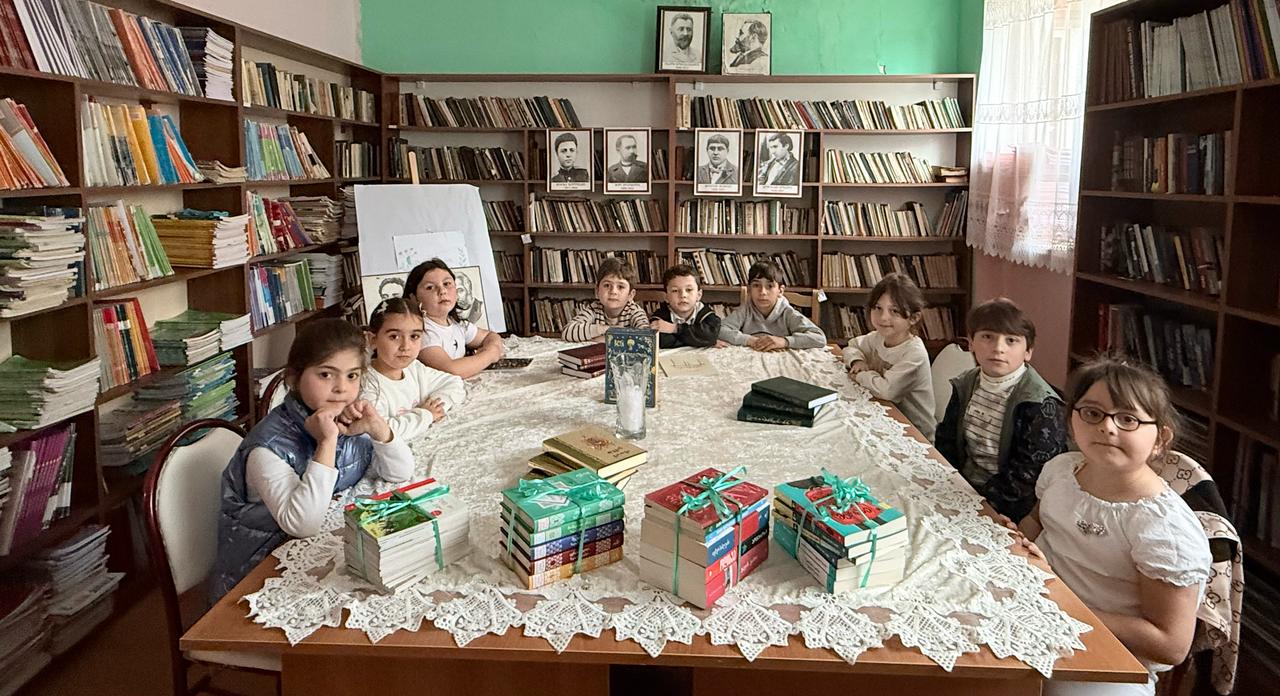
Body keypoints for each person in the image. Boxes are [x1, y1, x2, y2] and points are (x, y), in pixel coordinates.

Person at [1020, 357, 1211, 695]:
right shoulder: (1062, 470)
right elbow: (1036, 521)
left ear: (1161, 439)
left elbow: (1171, 645)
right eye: (1092, 413)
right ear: (1071, 420)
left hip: (1109, 659)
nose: (1107, 428)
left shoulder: (1163, 528)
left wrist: (1065, 609)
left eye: (1128, 419)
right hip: (1037, 617)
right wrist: (1014, 540)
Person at [209, 319, 413, 601]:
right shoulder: (267, 448)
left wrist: (378, 428)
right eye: (326, 375)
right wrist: (327, 443)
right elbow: (303, 525)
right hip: (258, 576)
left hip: (323, 553)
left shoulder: (343, 416)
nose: (341, 388)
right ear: (293, 378)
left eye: (352, 376)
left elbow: (400, 472)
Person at [935, 298, 1068, 521]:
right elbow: (946, 439)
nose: (998, 348)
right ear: (971, 343)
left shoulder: (1040, 404)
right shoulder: (966, 383)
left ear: (1028, 351)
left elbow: (1027, 475)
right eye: (987, 337)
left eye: (1011, 340)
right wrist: (948, 482)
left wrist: (978, 503)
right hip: (963, 486)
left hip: (1011, 507)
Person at [843, 273, 936, 440]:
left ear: (913, 318)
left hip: (914, 434)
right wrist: (858, 360)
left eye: (894, 311)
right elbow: (852, 345)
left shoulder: (914, 353)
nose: (883, 317)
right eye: (878, 308)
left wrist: (861, 375)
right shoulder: (878, 337)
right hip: (883, 417)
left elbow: (887, 391)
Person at [361, 297, 466, 443]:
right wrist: (426, 415)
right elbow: (378, 431)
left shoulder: (414, 368)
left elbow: (454, 382)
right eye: (394, 336)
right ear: (373, 339)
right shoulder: (368, 384)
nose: (405, 346)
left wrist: (435, 406)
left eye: (414, 336)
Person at [405, 258, 505, 378]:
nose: (442, 291)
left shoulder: (456, 323)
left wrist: (491, 347)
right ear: (414, 298)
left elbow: (490, 335)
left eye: (447, 284)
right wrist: (490, 355)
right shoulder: (420, 332)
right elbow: (452, 370)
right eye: (430, 287)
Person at [718, 260, 826, 351]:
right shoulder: (745, 310)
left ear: (780, 291)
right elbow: (719, 330)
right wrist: (749, 340)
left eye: (769, 286)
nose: (762, 292)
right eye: (756, 285)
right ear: (749, 289)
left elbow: (819, 338)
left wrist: (784, 341)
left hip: (781, 360)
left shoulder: (787, 313)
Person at [561, 257, 650, 343]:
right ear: (597, 291)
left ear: (630, 295)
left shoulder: (634, 311)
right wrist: (606, 329)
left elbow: (647, 337)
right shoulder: (593, 309)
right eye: (607, 285)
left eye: (620, 287)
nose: (613, 291)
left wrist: (602, 338)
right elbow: (567, 332)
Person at [650, 264, 720, 348]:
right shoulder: (660, 318)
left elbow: (711, 335)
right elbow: (662, 341)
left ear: (699, 295)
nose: (683, 295)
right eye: (675, 290)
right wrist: (701, 340)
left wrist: (675, 328)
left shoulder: (707, 314)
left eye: (689, 290)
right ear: (666, 297)